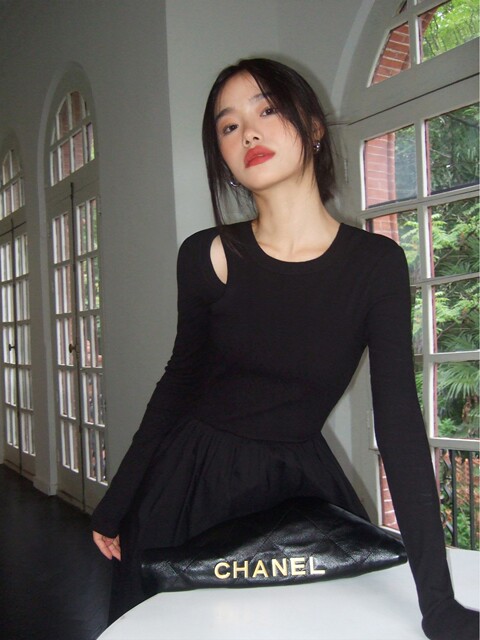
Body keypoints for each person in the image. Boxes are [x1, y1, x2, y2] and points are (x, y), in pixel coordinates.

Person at [92, 58, 479, 639]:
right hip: (189, 490)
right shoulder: (207, 256)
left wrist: (439, 606)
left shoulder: (375, 265)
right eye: (229, 126)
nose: (249, 133)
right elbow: (178, 383)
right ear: (221, 156)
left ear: (314, 126)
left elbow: (399, 425)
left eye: (267, 110)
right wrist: (117, 501)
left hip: (301, 493)